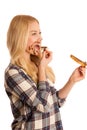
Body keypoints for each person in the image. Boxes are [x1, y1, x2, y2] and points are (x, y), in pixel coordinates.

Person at [4, 14, 86, 130]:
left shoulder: (37, 65)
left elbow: (55, 102)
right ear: (20, 37)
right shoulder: (13, 73)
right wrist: (42, 67)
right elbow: (43, 105)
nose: (40, 38)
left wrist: (72, 80)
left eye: (40, 33)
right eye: (34, 33)